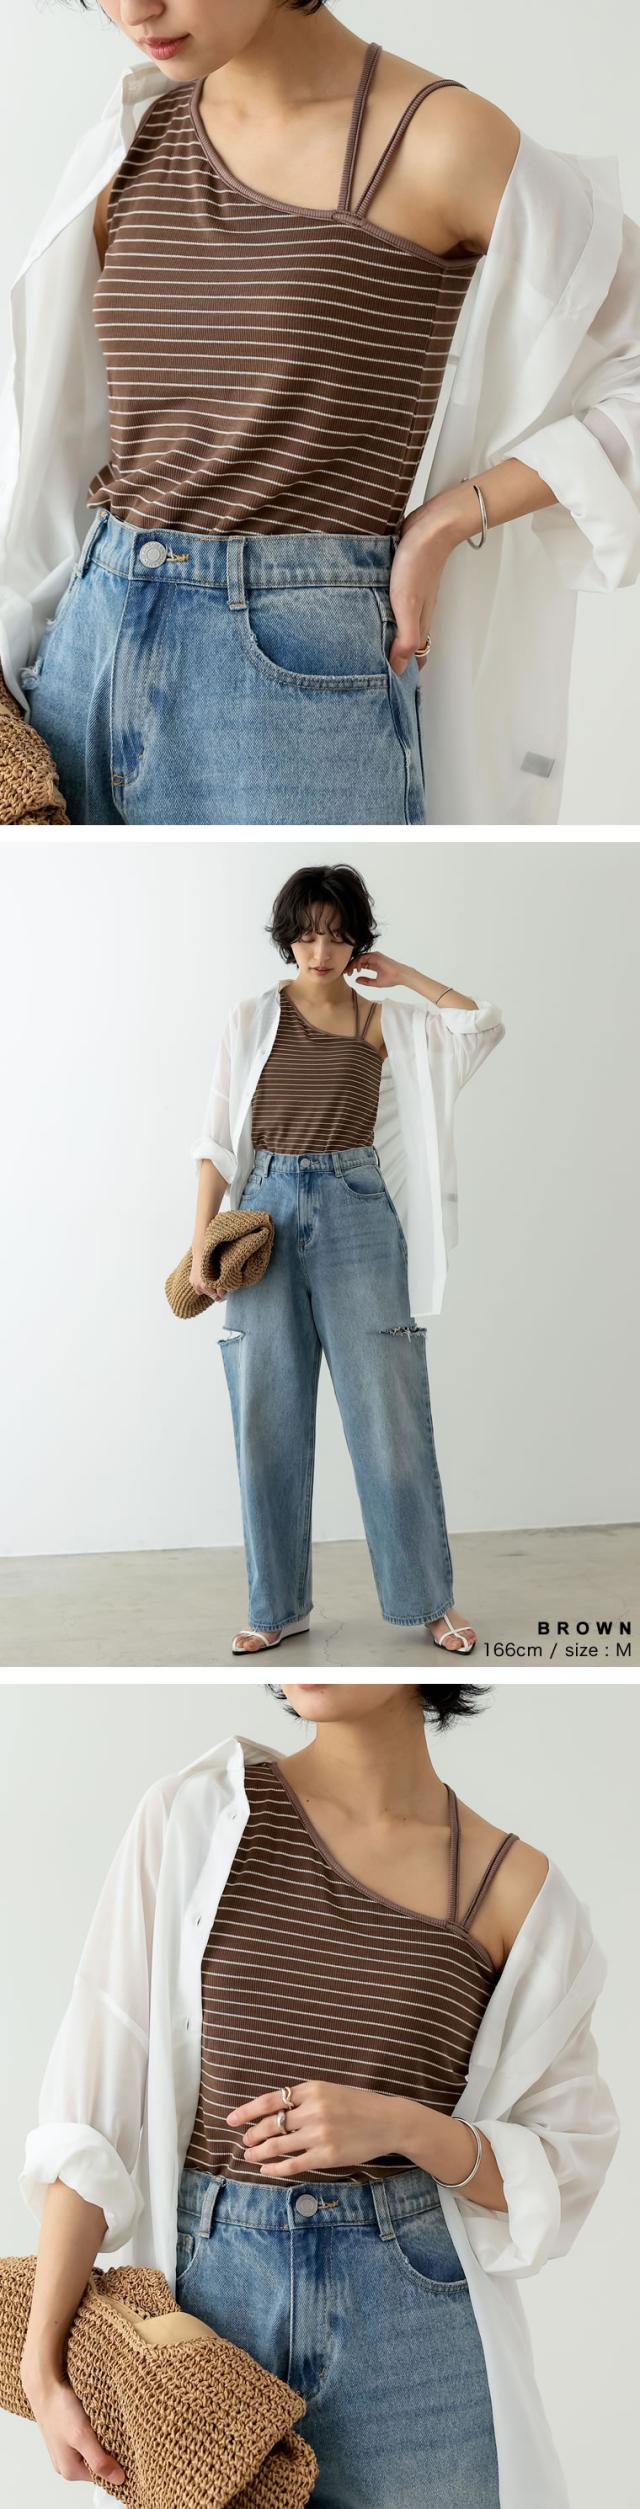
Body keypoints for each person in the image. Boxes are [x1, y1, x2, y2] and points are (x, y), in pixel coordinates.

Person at [1, 4, 639, 824]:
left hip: (293, 678)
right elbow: (57, 448)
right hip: (85, 648)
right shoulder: (134, 139)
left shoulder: (434, 139)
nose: (134, 10)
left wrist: (453, 518)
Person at [18, 1682, 618, 2509]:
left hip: (417, 2320)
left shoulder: (516, 1889)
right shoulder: (199, 1818)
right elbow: (91, 2116)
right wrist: (41, 2360)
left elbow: (564, 2161)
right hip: (207, 2311)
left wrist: (403, 2125)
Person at [188, 859, 505, 1655]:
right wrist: (200, 1242)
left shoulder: (381, 1021)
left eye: (336, 935)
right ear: (286, 939)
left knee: (388, 1415)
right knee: (266, 1418)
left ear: (358, 940)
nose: (320, 951)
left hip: (357, 1212)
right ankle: (276, 1605)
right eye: (306, 935)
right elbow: (216, 1141)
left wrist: (404, 976)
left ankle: (429, 1599)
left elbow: (479, 1025)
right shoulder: (251, 1018)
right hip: (262, 1219)